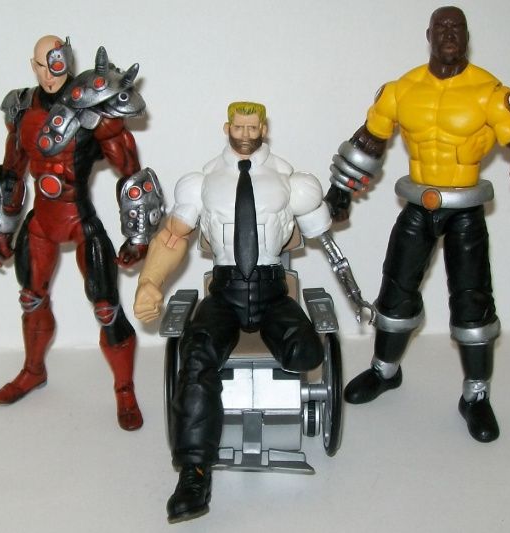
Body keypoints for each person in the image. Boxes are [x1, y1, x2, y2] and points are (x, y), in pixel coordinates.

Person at [325, 6, 510, 443]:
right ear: (429, 34)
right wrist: (341, 190)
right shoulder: (402, 89)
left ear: (467, 36)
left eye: (458, 27)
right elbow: (369, 140)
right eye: (442, 27)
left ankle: (476, 395)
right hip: (418, 206)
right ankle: (385, 370)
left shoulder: (490, 93)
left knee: (473, 300)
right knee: (395, 289)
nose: (450, 34)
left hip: (465, 211)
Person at [134, 101, 367, 522]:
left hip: (273, 291)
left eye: (252, 126)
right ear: (227, 127)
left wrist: (354, 292)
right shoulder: (202, 182)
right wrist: (150, 281)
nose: (245, 134)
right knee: (197, 352)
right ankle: (194, 473)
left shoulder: (292, 182)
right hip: (224, 293)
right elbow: (172, 237)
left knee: (306, 352)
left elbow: (327, 243)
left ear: (264, 127)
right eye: (238, 126)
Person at [0, 35, 162, 431]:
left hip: (80, 221)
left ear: (68, 61)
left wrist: (139, 235)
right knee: (31, 299)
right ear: (32, 65)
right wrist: (2, 228)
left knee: (106, 307)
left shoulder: (95, 110)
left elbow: (131, 173)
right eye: (42, 65)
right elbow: (11, 172)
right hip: (41, 224)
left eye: (56, 63)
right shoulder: (21, 109)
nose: (50, 73)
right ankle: (33, 370)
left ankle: (125, 389)